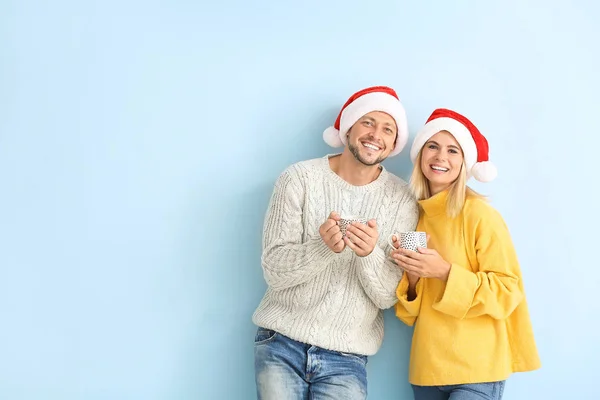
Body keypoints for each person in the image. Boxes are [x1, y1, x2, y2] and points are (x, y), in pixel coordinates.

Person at [252, 86, 419, 399]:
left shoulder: (404, 200)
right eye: (368, 122)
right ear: (349, 127)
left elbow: (387, 298)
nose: (375, 135)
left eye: (388, 129)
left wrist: (368, 254)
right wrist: (321, 247)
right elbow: (274, 271)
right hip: (280, 342)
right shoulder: (297, 178)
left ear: (395, 142)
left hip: (347, 356)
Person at [392, 108, 541, 400]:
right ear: (421, 154)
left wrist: (445, 272)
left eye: (453, 150)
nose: (440, 157)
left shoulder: (480, 215)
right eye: (432, 146)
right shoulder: (414, 218)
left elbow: (508, 289)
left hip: (477, 369)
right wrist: (411, 278)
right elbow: (410, 314)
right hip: (427, 369)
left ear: (465, 162)